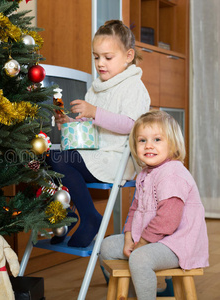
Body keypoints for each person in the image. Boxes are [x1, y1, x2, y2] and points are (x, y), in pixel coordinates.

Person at [47, 20, 150, 247]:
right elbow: (89, 127)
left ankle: (89, 218)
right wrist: (69, 123)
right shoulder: (96, 87)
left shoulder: (133, 87)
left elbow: (131, 124)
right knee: (49, 159)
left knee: (59, 159)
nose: (100, 63)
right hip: (92, 153)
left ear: (128, 56)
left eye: (108, 57)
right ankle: (70, 214)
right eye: (96, 57)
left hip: (116, 158)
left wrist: (94, 111)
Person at [99, 110, 209, 299]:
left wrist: (142, 243)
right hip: (151, 238)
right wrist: (128, 237)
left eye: (157, 139)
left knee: (140, 258)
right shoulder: (144, 174)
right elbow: (134, 210)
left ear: (172, 144)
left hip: (177, 243)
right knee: (107, 246)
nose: (148, 145)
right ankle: (132, 293)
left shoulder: (172, 174)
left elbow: (168, 220)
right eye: (142, 140)